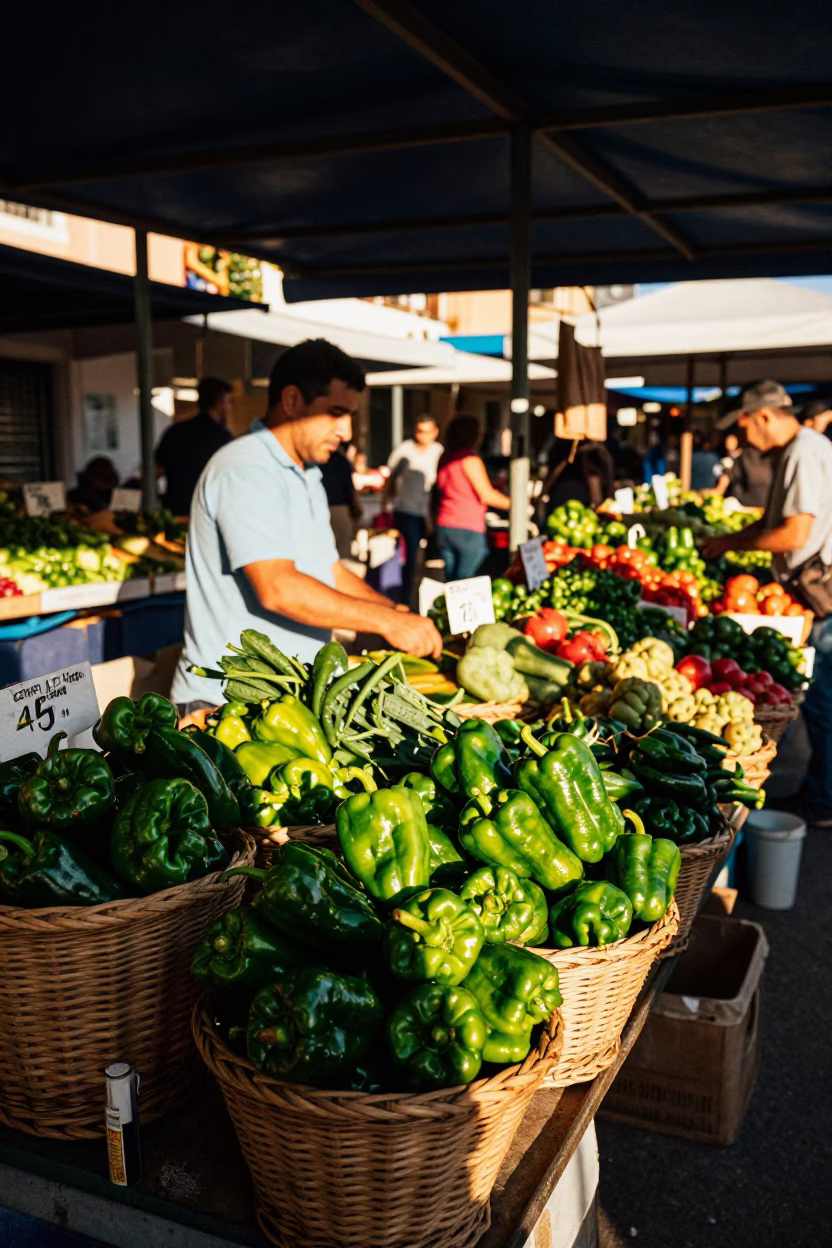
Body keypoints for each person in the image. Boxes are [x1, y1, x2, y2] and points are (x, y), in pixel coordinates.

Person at [171, 339, 442, 714]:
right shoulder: (247, 468)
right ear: (292, 400)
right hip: (226, 702)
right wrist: (385, 621)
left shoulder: (306, 473)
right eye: (335, 413)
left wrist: (395, 613)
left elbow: (327, 570)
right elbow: (278, 588)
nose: (346, 432)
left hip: (284, 700)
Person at [702, 380, 832, 825]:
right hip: (809, 588)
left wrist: (734, 544)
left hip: (821, 588)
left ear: (762, 416)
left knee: (822, 701)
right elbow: (776, 521)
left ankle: (823, 802)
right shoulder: (800, 450)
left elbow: (795, 533)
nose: (740, 439)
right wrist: (729, 540)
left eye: (741, 425)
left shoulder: (803, 451)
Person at [434, 414, 511, 582]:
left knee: (451, 582)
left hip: (444, 525)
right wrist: (516, 504)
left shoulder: (445, 457)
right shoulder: (469, 459)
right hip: (467, 527)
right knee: (469, 582)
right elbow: (487, 495)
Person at [383, 417, 444, 603]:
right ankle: (406, 600)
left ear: (435, 432)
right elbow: (391, 478)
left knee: (434, 561)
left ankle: (431, 600)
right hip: (407, 510)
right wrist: (386, 503)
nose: (423, 436)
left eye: (427, 431)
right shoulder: (404, 450)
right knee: (409, 558)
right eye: (419, 431)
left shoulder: (439, 452)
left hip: (431, 512)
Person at [155, 377, 233, 517]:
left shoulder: (174, 431)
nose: (229, 408)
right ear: (218, 404)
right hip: (207, 515)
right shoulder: (222, 437)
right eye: (228, 402)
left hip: (175, 513)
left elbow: (156, 471)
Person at [319, 443, 362, 559]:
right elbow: (350, 490)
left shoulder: (316, 462)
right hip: (337, 508)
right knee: (342, 553)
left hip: (324, 508)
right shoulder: (342, 461)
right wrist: (356, 510)